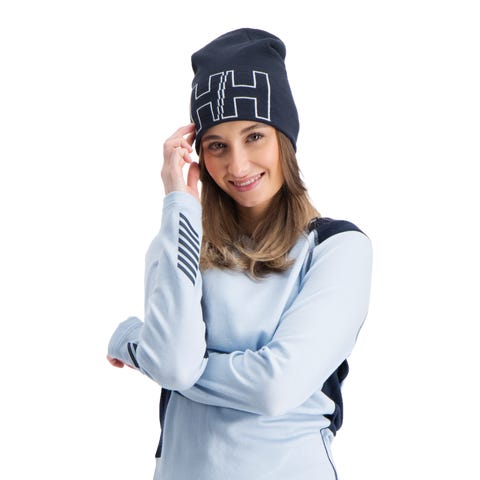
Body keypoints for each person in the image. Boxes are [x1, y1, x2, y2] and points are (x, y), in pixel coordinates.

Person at [107, 28, 373, 480]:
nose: (238, 165)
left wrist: (137, 345)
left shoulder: (338, 247)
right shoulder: (181, 239)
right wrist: (179, 203)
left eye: (254, 136)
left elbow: (274, 387)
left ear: (283, 138)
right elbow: (171, 363)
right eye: (217, 146)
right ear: (199, 154)